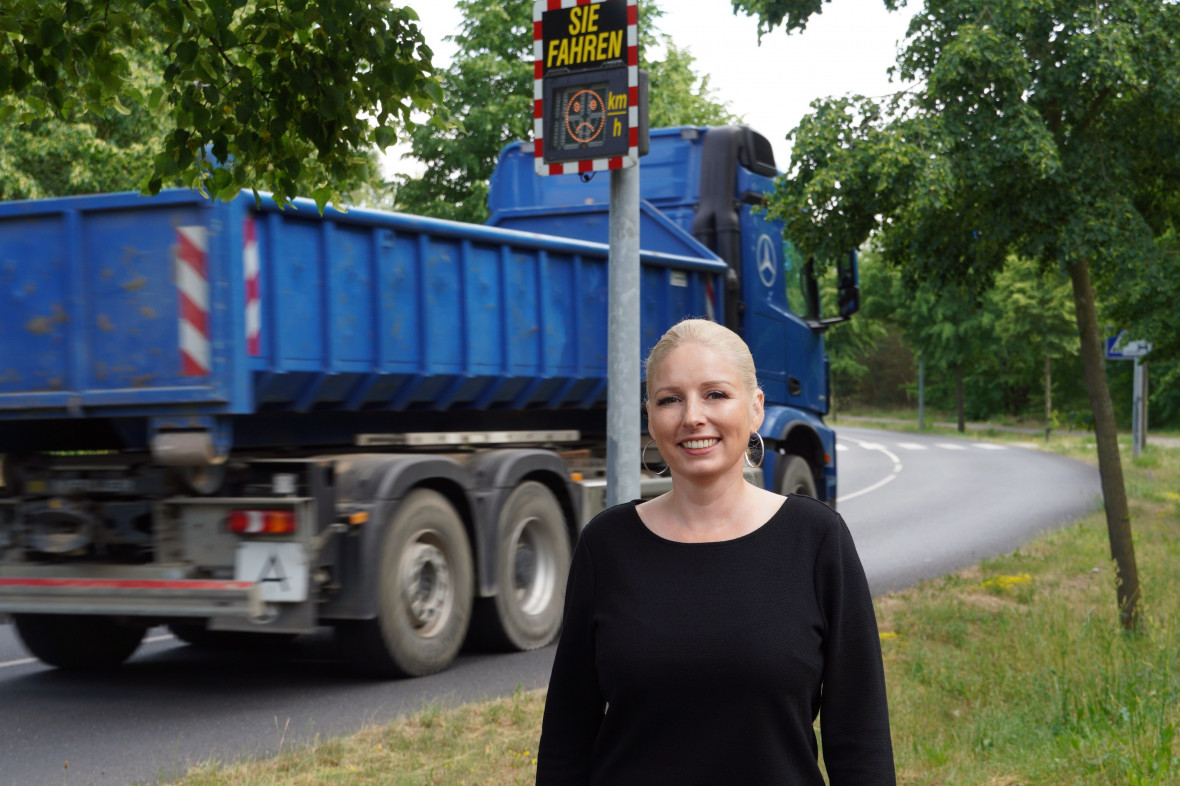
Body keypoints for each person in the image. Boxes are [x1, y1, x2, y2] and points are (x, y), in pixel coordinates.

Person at [535, 318, 895, 785]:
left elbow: (860, 740)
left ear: (756, 408)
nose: (692, 417)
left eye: (715, 394)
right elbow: (567, 735)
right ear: (650, 417)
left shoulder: (816, 539)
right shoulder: (606, 545)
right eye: (670, 399)